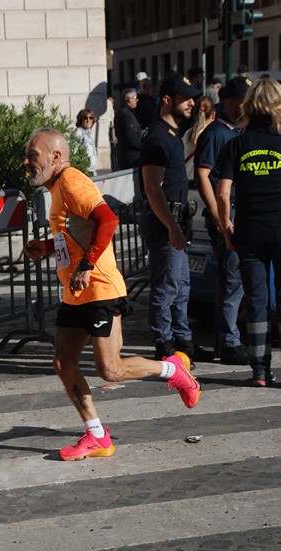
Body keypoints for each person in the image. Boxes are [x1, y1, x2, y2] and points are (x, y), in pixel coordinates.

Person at [23, 128, 201, 461]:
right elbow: (77, 232)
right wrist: (46, 246)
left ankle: (173, 370)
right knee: (64, 362)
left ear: (55, 157)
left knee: (111, 370)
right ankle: (97, 436)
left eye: (33, 155)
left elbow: (108, 219)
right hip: (77, 290)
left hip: (99, 288)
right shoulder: (59, 187)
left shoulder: (72, 181)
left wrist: (87, 265)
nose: (27, 162)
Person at [139, 73, 213, 365]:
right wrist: (172, 227)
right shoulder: (158, 137)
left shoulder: (170, 136)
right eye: (186, 98)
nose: (192, 103)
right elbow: (151, 188)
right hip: (165, 222)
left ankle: (183, 342)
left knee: (181, 287)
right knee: (166, 288)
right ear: (168, 100)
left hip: (175, 220)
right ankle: (165, 346)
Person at [217, 77, 281, 386]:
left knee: (257, 299)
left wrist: (226, 227)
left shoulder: (237, 144)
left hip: (250, 231)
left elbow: (222, 192)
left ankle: (259, 370)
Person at [194, 76, 251, 365]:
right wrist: (220, 218)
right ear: (230, 103)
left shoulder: (238, 130)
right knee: (231, 279)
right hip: (228, 217)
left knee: (235, 280)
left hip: (238, 214)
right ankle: (228, 342)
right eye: (244, 100)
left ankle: (226, 340)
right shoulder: (217, 133)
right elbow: (203, 174)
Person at [183, 95, 216, 182]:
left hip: (187, 181)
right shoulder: (211, 136)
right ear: (213, 115)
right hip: (203, 183)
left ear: (194, 114)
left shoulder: (187, 133)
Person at [113, 88, 143, 169]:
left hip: (126, 156)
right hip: (132, 159)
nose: (137, 100)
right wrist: (144, 146)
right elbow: (132, 138)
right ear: (129, 100)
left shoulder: (121, 112)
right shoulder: (127, 115)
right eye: (135, 98)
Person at [74, 108, 98, 176]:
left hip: (91, 170)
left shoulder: (89, 133)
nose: (88, 120)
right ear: (81, 120)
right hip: (84, 170)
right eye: (85, 118)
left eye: (91, 118)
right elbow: (74, 151)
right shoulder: (78, 132)